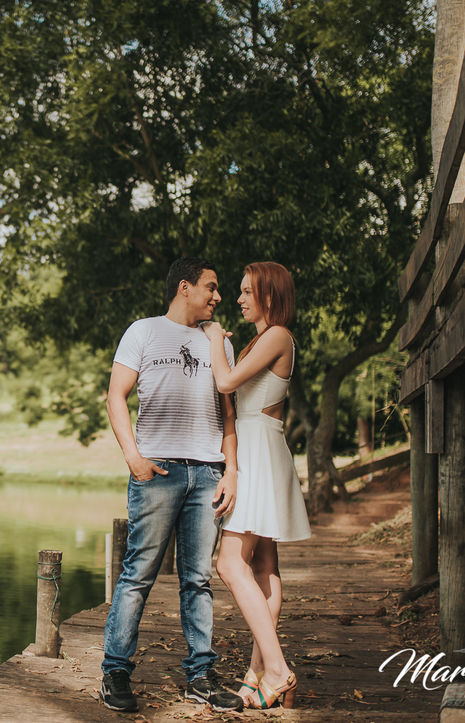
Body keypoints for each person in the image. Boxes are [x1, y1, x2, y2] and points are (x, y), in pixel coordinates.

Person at [98, 256, 244, 714]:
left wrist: (231, 470)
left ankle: (200, 675)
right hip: (157, 472)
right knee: (138, 574)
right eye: (212, 287)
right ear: (185, 287)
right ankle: (115, 673)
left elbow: (229, 412)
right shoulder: (142, 331)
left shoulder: (218, 339)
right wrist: (133, 457)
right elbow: (115, 395)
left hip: (206, 473)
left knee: (197, 581)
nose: (218, 297)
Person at [204, 262, 311, 710]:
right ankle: (257, 676)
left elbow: (226, 381)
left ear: (270, 294)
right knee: (264, 564)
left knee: (230, 563)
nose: (240, 298)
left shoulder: (277, 335)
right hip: (257, 446)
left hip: (258, 452)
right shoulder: (263, 338)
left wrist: (212, 340)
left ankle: (279, 669)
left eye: (248, 292)